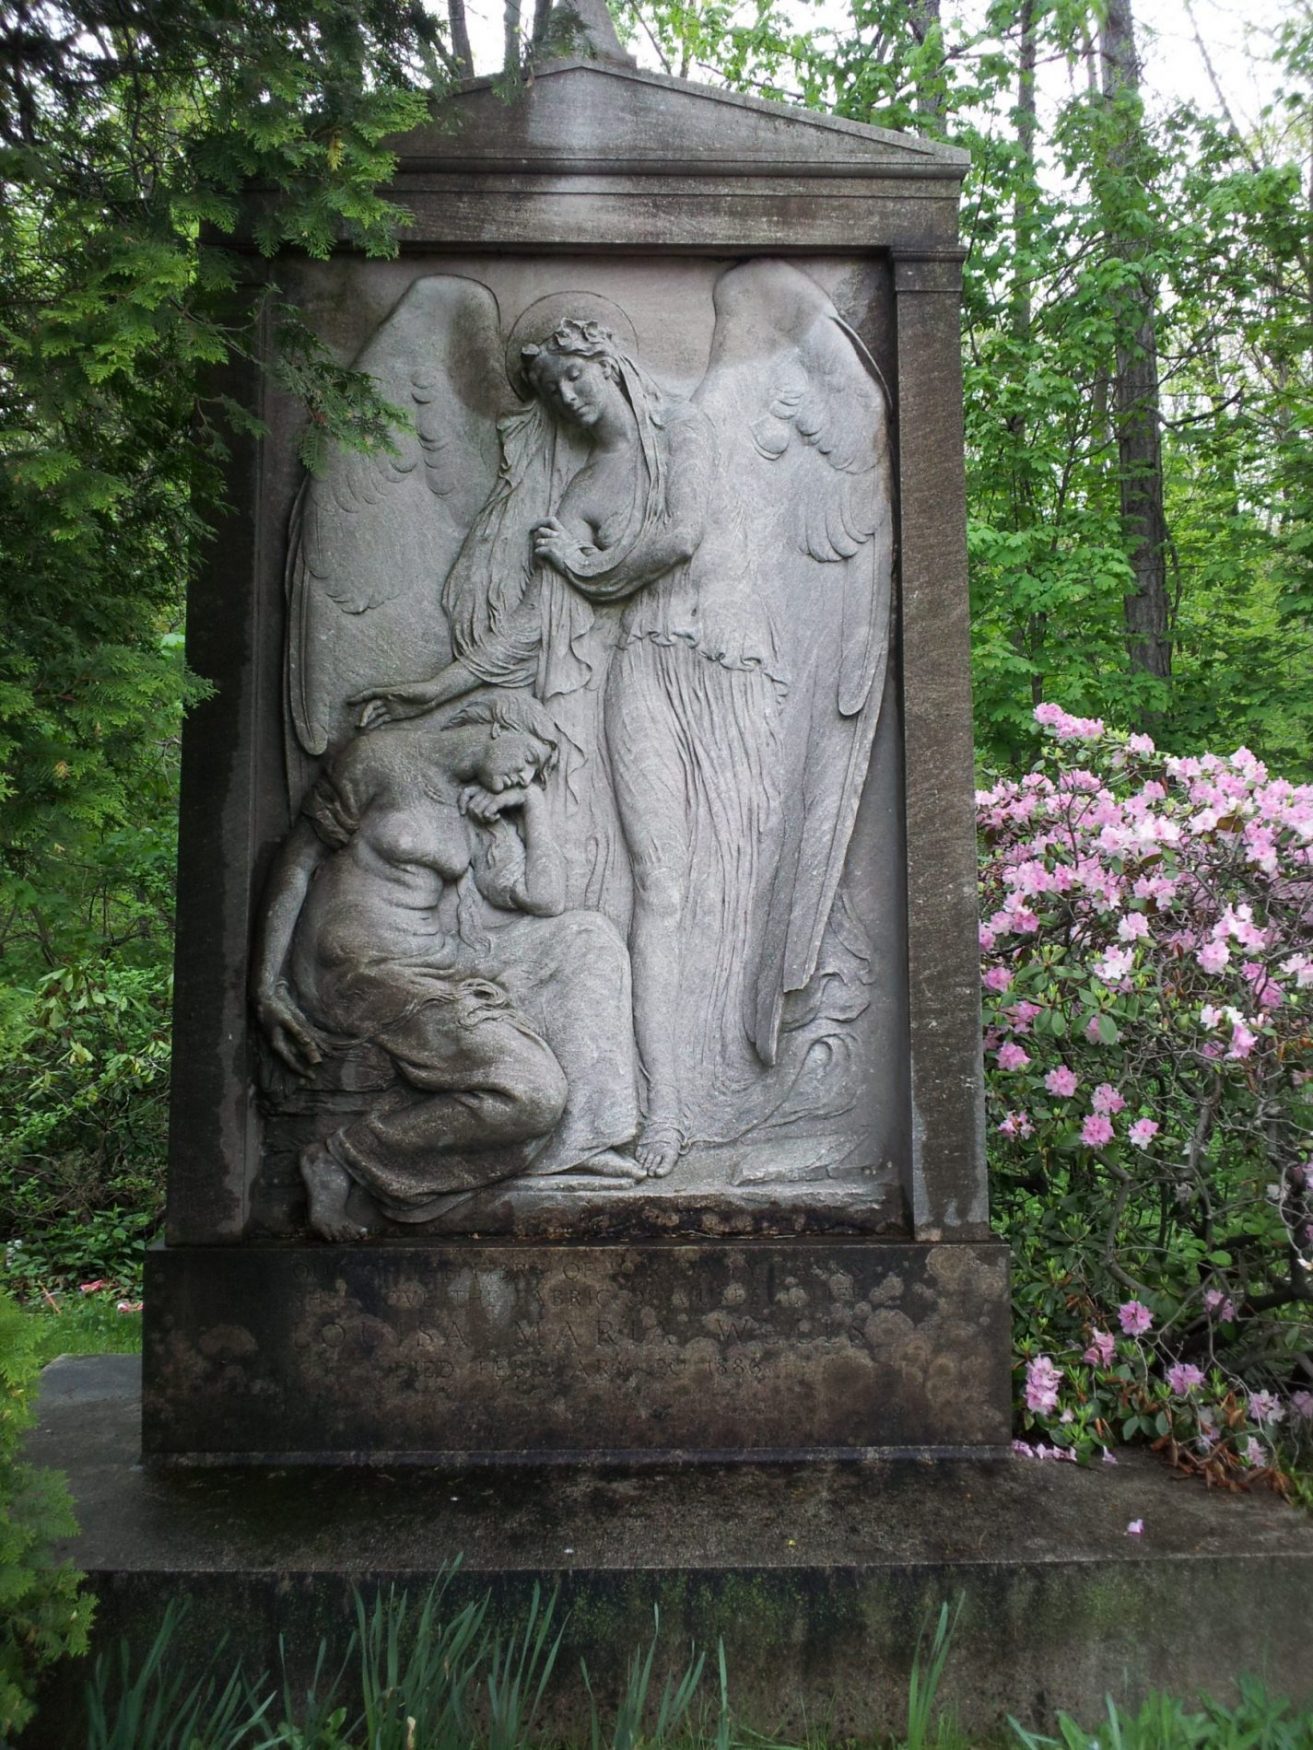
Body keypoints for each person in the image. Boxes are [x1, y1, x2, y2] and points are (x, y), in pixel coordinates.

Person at [353, 317, 782, 1178]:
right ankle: (657, 1109)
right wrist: (437, 688)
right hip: (644, 683)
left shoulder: (684, 433)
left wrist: (587, 571)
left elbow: (679, 537)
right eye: (551, 391)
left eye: (574, 376)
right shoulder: (584, 489)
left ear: (609, 359)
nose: (568, 397)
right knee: (656, 888)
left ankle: (720, 1072)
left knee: (733, 878)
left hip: (726, 675)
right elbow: (533, 627)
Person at [252, 691, 641, 1240]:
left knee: (588, 937)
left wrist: (534, 810)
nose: (525, 775)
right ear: (498, 725)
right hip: (358, 968)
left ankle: (584, 1139)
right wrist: (266, 983)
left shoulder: (474, 806)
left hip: (437, 960)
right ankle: (343, 1158)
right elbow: (298, 862)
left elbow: (545, 899)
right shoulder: (376, 759)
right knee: (532, 1092)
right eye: (528, 759)